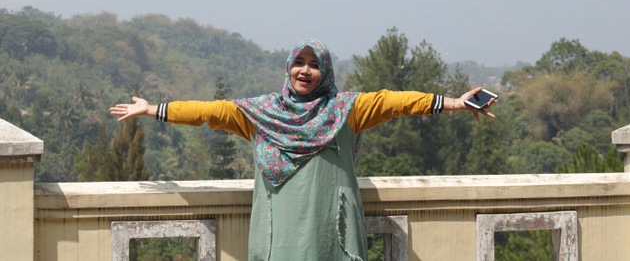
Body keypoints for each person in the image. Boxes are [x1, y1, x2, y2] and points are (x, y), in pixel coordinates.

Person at [111, 39, 496, 261]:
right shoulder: (261, 114)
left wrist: (457, 103)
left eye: (314, 64)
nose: (305, 70)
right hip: (280, 232)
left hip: (331, 230)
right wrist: (154, 110)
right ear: (288, 68)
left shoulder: (347, 108)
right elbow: (210, 112)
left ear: (325, 72)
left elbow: (397, 101)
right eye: (299, 62)